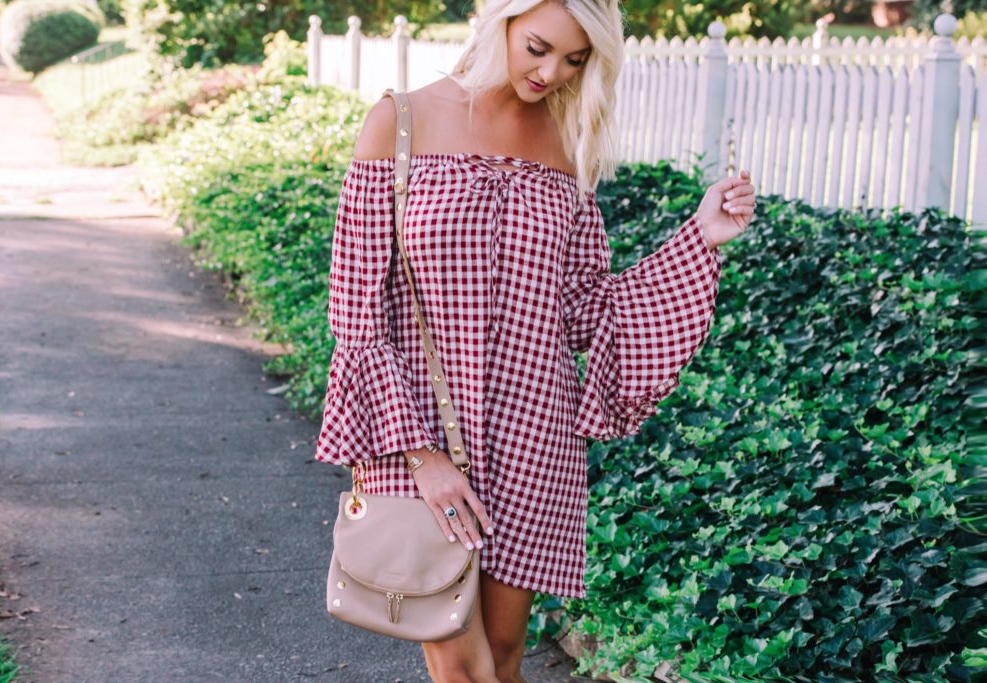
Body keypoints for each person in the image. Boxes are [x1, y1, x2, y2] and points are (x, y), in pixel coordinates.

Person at [315, 0, 757, 681]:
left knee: (506, 656)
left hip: (533, 436)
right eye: (539, 48)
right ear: (501, 24)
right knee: (463, 667)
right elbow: (357, 313)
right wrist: (423, 456)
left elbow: (587, 309)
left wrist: (700, 236)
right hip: (418, 433)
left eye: (575, 59)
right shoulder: (398, 123)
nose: (552, 72)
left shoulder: (564, 143)